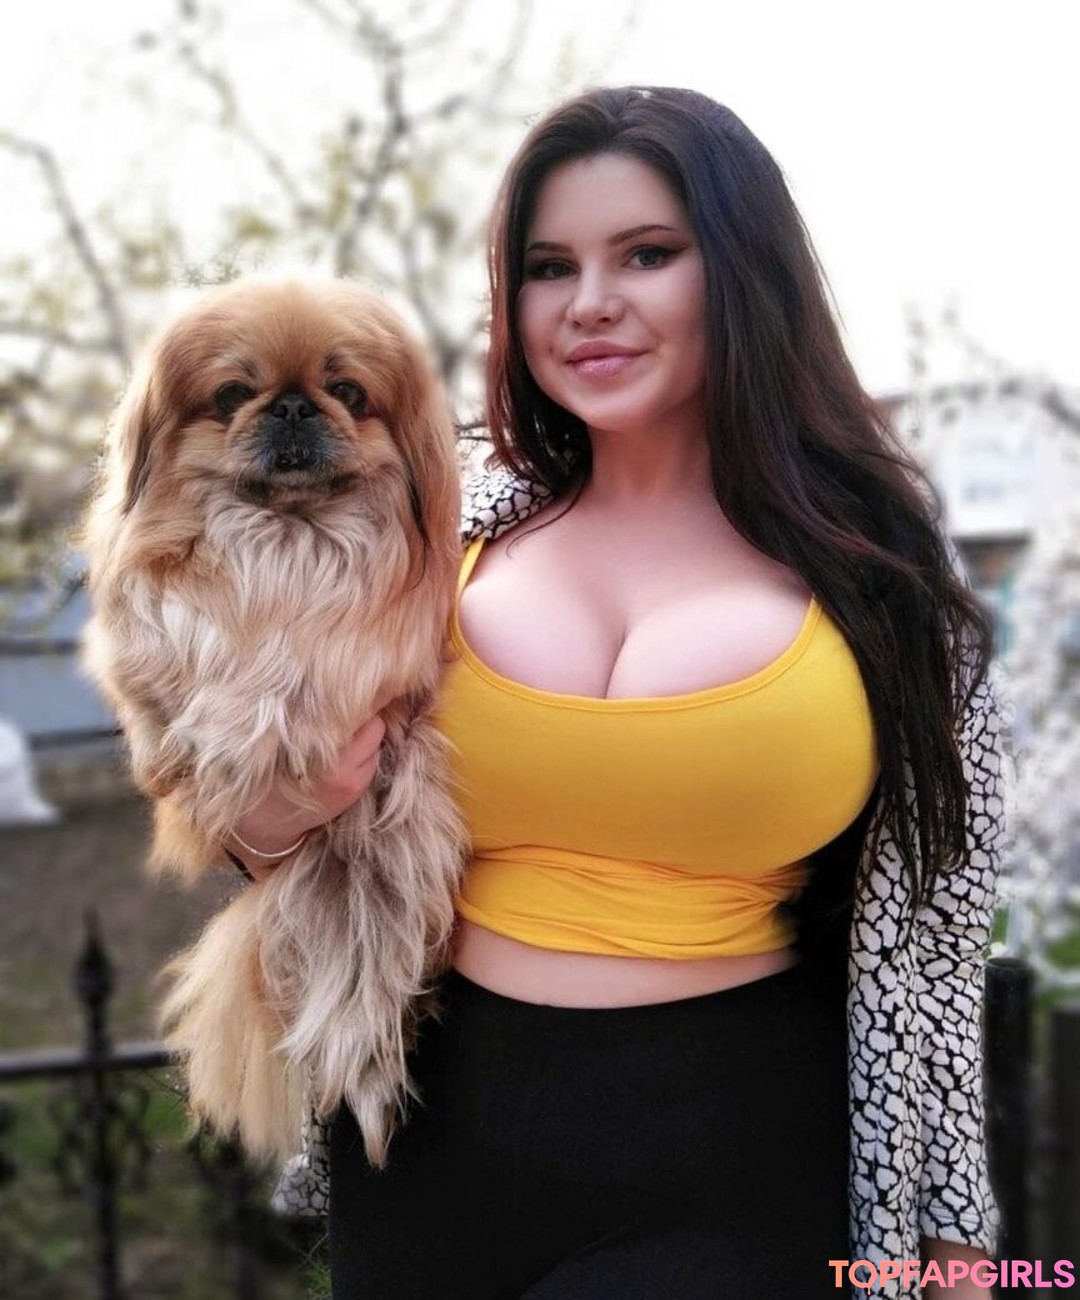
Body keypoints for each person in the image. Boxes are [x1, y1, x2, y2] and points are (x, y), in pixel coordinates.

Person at [228, 86, 1004, 1299]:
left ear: (742, 272)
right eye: (550, 267)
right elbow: (270, 819)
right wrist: (278, 814)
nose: (589, 302)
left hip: (734, 1157)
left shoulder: (887, 566)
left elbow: (943, 923)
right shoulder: (427, 528)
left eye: (646, 253)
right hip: (421, 1141)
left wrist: (956, 1233)